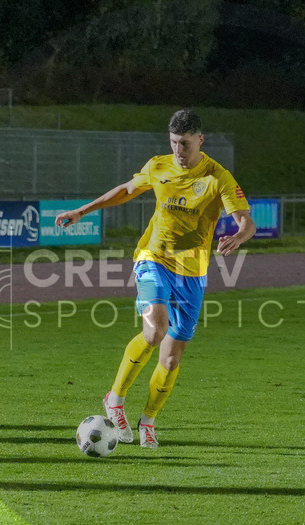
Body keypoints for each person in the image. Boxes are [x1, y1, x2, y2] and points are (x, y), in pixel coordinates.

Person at [55, 109, 256, 448]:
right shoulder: (158, 166)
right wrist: (82, 211)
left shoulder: (218, 177)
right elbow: (125, 190)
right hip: (153, 258)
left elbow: (246, 221)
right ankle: (115, 398)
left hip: (192, 272)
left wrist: (239, 235)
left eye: (185, 144)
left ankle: (147, 421)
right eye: (174, 142)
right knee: (154, 331)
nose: (179, 150)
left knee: (172, 357)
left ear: (200, 140)